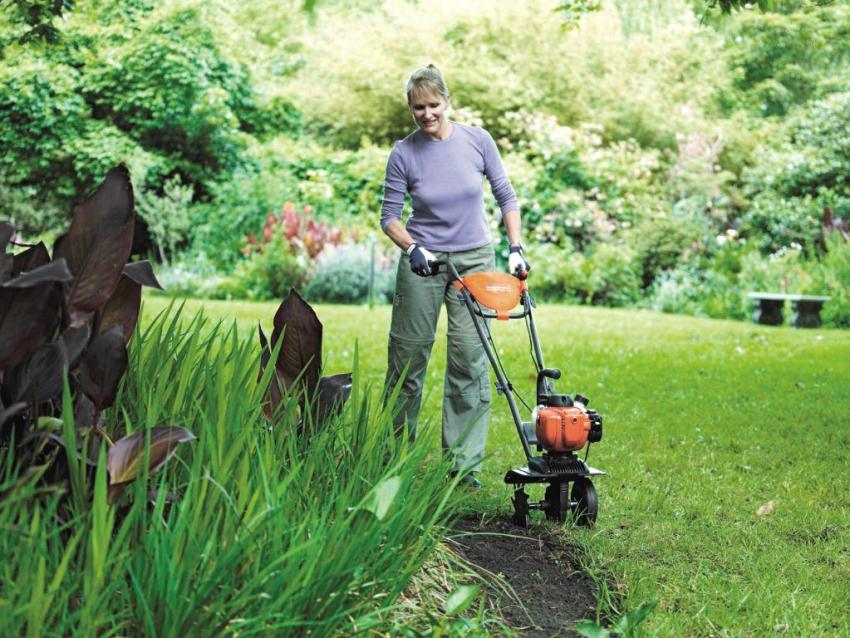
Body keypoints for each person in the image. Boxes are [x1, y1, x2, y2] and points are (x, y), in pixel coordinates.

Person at [380, 64, 530, 488]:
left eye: (433, 105)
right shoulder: (403, 152)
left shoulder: (477, 140)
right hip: (423, 262)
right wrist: (412, 247)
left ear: (448, 101)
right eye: (417, 108)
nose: (426, 114)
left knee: (468, 359)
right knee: (407, 360)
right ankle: (394, 457)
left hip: (475, 260)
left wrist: (515, 248)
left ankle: (463, 468)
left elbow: (506, 196)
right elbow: (389, 217)